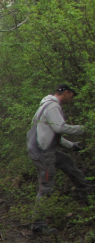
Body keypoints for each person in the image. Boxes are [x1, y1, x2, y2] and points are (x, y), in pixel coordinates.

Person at [27, 85, 93, 232]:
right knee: (46, 188)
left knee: (67, 162)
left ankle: (87, 193)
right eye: (72, 95)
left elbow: (52, 134)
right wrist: (85, 128)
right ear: (67, 93)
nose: (72, 99)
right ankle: (39, 225)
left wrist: (72, 146)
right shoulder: (52, 106)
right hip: (43, 153)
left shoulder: (46, 106)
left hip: (45, 150)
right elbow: (60, 128)